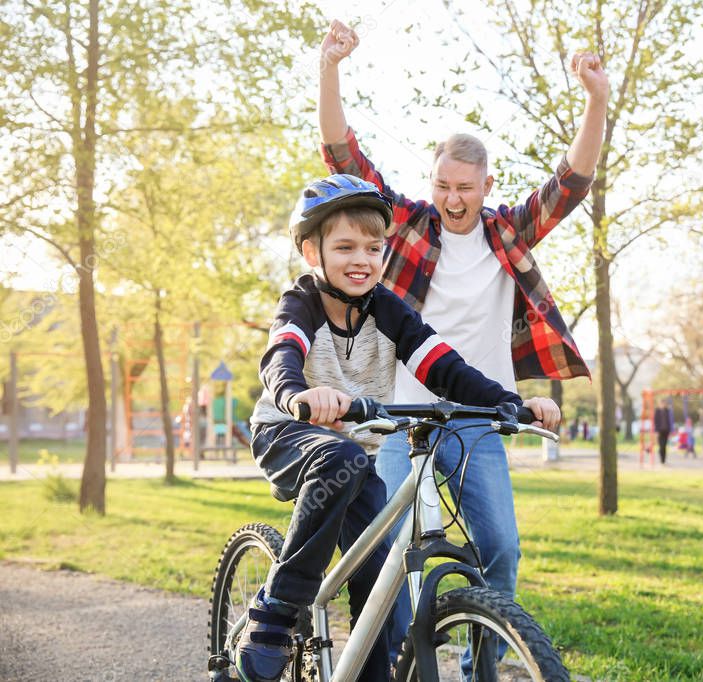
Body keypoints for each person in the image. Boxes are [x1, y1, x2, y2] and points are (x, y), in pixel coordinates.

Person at [316, 19, 609, 665]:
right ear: (435, 181)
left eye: (465, 188)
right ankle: (389, 659)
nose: (452, 199)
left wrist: (595, 100)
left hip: (476, 417)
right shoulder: (408, 227)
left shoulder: (509, 233)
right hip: (396, 413)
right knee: (391, 544)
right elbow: (344, 158)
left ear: (485, 187)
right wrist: (330, 67)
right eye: (444, 185)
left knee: (499, 547)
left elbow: (572, 182)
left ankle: (480, 664)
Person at [242, 175, 559, 682]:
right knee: (339, 457)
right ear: (310, 251)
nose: (362, 259)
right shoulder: (300, 302)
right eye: (344, 247)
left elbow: (445, 368)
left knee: (378, 582)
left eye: (373, 247)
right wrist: (298, 394)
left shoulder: (388, 309)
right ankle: (276, 610)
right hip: (288, 434)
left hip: (353, 454)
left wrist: (511, 404)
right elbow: (283, 355)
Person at [653, 398, 674, 465]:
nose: (663, 404)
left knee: (664, 446)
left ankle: (663, 461)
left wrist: (671, 430)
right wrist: (656, 431)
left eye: (664, 403)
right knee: (661, 446)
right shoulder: (657, 411)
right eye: (662, 403)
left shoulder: (668, 411)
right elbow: (655, 421)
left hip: (666, 431)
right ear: (660, 404)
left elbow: (670, 421)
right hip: (660, 431)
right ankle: (661, 458)